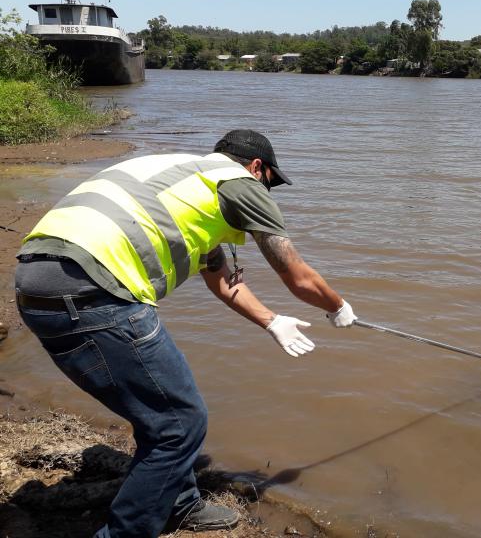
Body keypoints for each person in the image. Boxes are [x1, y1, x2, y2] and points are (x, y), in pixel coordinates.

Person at [14, 129, 357, 538]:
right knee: (180, 423)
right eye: (271, 183)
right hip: (95, 291)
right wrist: (337, 307)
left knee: (160, 411)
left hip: (34, 284)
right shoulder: (241, 184)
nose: (269, 192)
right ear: (256, 167)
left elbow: (222, 281)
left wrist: (271, 321)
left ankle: (179, 503)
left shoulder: (181, 179)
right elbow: (297, 276)